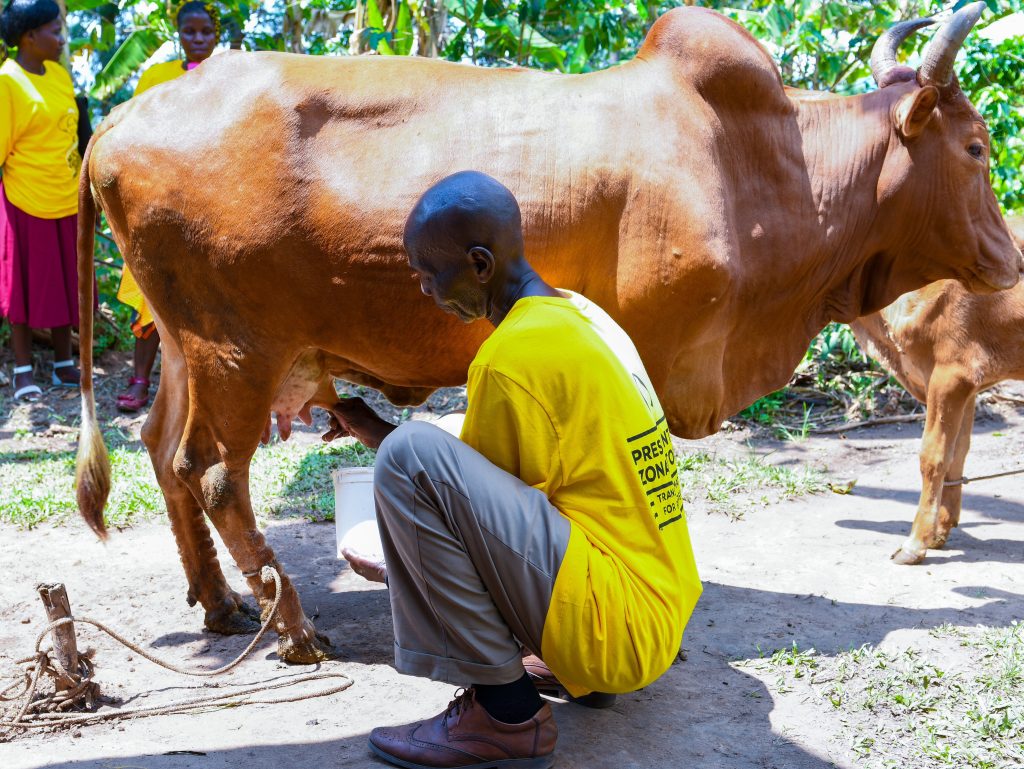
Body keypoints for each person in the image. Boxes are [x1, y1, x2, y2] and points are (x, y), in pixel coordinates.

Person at [327, 171, 702, 769]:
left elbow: (457, 519)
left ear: (479, 264)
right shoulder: (581, 318)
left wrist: (400, 559)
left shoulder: (510, 357)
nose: (425, 290)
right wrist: (371, 424)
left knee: (407, 460)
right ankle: (575, 670)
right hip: (655, 610)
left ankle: (504, 716)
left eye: (429, 274)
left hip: (618, 631)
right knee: (422, 452)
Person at [114, 0, 219, 412]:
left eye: (205, 32)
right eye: (189, 32)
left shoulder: (231, 76)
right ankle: (140, 379)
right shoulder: (157, 77)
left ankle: (202, 388)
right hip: (162, 197)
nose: (197, 39)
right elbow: (136, 131)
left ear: (217, 34)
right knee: (149, 292)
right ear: (179, 34)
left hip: (211, 200)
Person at [0, 0, 84, 401]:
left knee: (66, 284)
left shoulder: (59, 76)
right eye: (54, 30)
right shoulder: (8, 81)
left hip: (66, 196)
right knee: (24, 289)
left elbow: (72, 136)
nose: (61, 38)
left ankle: (64, 364)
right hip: (25, 200)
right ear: (28, 37)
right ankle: (22, 371)